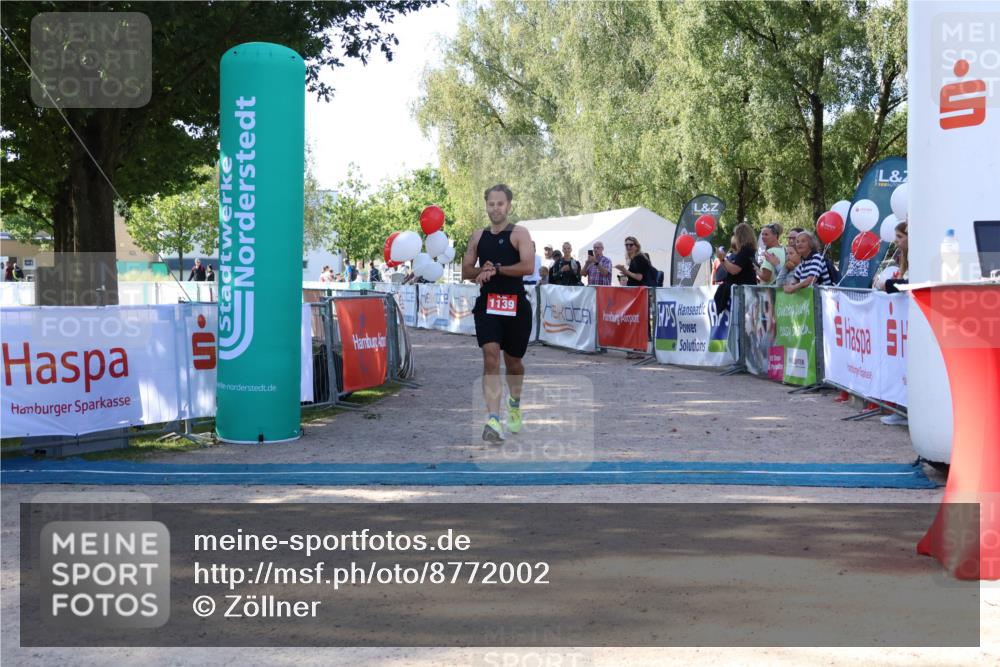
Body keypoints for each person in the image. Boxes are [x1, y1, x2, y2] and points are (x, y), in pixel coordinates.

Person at [462, 184, 535, 443]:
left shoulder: (519, 233)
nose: (495, 208)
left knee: (513, 362)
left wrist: (499, 269)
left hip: (516, 305)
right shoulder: (477, 236)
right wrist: (482, 270)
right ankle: (493, 419)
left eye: (500, 204)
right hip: (488, 304)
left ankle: (514, 403)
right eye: (491, 204)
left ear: (509, 206)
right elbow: (466, 271)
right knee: (490, 356)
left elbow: (528, 266)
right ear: (486, 206)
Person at [713, 222, 758, 313]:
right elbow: (731, 269)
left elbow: (734, 270)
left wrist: (723, 259)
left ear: (740, 236)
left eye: (735, 235)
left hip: (742, 293)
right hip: (742, 291)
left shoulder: (746, 250)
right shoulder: (746, 250)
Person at [874, 221, 909, 294]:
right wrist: (896, 280)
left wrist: (888, 285)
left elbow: (911, 283)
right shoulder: (903, 258)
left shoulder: (918, 258)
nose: (895, 240)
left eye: (899, 236)